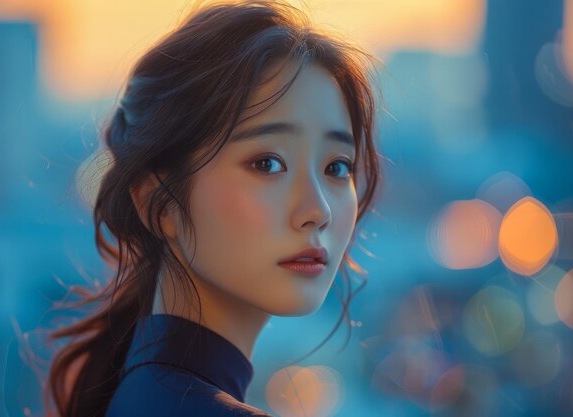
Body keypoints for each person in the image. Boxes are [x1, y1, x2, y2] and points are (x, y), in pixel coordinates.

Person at [41, 0, 382, 416]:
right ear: (158, 201)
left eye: (336, 166)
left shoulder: (139, 396)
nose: (318, 210)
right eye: (267, 163)